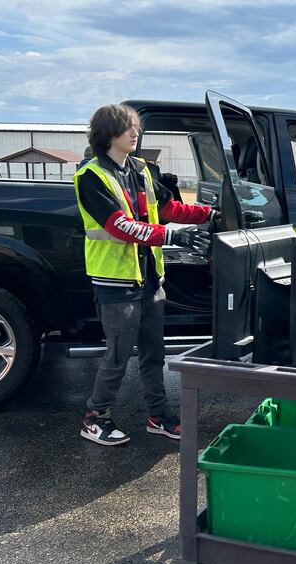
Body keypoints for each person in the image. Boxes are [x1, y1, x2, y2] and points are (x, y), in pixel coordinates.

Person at [74, 103, 219, 446]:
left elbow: (169, 208)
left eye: (136, 127)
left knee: (155, 354)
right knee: (118, 355)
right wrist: (173, 235)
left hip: (150, 279)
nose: (135, 133)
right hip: (116, 283)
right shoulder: (90, 176)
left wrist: (212, 213)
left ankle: (158, 417)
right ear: (108, 133)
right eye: (129, 127)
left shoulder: (141, 169)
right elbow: (119, 225)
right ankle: (95, 417)